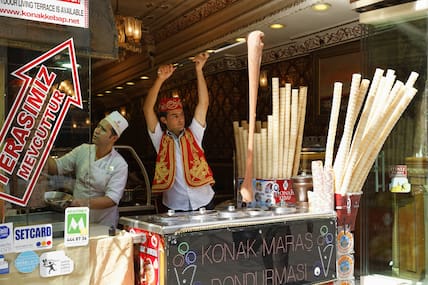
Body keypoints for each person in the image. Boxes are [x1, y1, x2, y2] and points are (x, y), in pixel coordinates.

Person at [142, 52, 215, 212]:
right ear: (164, 120)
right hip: (175, 206)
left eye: (181, 114)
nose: (180, 119)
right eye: (174, 116)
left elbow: (203, 103)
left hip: (204, 201)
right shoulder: (159, 139)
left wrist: (199, 70)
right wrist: (160, 79)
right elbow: (147, 109)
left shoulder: (194, 133)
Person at [47, 111, 129, 227]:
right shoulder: (83, 150)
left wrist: (82, 203)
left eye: (103, 130)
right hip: (77, 219)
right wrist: (42, 149)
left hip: (103, 222)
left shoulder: (119, 164)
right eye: (98, 126)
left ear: (113, 138)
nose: (96, 131)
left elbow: (111, 199)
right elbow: (55, 167)